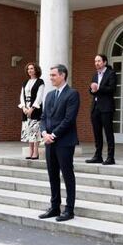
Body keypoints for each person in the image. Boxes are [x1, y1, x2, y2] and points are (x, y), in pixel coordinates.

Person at [38, 64, 80, 222]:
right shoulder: (49, 95)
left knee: (67, 175)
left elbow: (69, 119)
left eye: (54, 75)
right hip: (49, 141)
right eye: (50, 75)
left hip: (64, 142)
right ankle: (55, 207)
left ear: (63, 76)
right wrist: (44, 133)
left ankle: (69, 210)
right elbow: (43, 118)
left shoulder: (72, 94)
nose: (51, 78)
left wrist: (53, 135)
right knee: (52, 174)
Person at [85, 54, 117, 165]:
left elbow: (112, 89)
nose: (96, 63)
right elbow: (92, 91)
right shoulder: (95, 75)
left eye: (99, 61)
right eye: (95, 61)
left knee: (108, 132)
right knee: (97, 133)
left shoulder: (111, 73)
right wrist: (92, 90)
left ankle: (110, 157)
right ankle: (98, 156)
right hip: (95, 107)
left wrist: (98, 88)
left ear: (104, 62)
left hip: (106, 107)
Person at [18, 62, 45, 159]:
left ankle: (36, 152)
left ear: (36, 70)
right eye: (28, 69)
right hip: (26, 107)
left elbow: (39, 97)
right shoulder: (25, 82)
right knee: (28, 130)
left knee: (35, 130)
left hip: (35, 108)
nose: (30, 70)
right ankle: (30, 151)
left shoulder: (40, 82)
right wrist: (24, 107)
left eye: (32, 68)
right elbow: (22, 96)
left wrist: (32, 109)